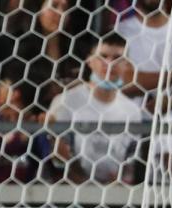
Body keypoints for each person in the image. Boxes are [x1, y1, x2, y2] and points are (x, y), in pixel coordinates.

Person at [48, 33, 143, 184]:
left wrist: (118, 186)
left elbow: (129, 163)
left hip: (113, 197)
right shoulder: (66, 102)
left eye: (117, 58)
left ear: (127, 64)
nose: (110, 63)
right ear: (90, 60)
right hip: (71, 192)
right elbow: (56, 159)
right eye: (103, 56)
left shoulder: (132, 111)